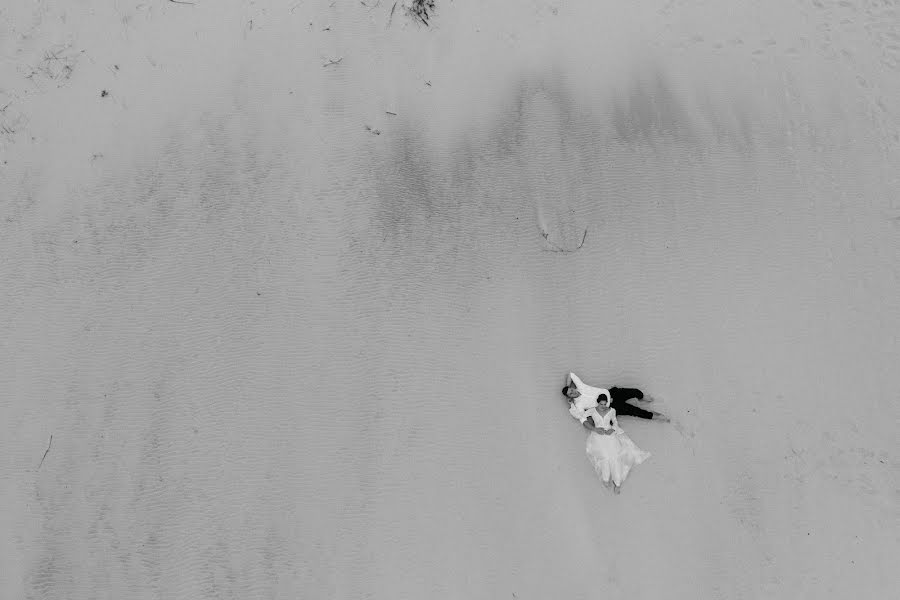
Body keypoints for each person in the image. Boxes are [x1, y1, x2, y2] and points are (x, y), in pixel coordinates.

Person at [579, 394, 651, 493]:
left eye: (605, 404)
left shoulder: (612, 410)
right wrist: (594, 429)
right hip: (597, 436)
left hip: (610, 435)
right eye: (601, 404)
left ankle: (617, 483)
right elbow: (582, 418)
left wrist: (612, 429)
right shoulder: (592, 410)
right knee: (605, 458)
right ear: (598, 402)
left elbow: (615, 422)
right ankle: (605, 478)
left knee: (614, 458)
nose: (603, 406)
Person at [563, 372, 670, 422]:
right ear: (570, 396)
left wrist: (567, 386)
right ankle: (655, 416)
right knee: (635, 411)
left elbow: (571, 375)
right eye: (570, 393)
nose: (573, 392)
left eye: (571, 389)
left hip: (612, 393)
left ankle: (642, 397)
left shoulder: (580, 386)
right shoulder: (579, 404)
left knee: (635, 391)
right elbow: (580, 415)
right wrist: (571, 404)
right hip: (612, 405)